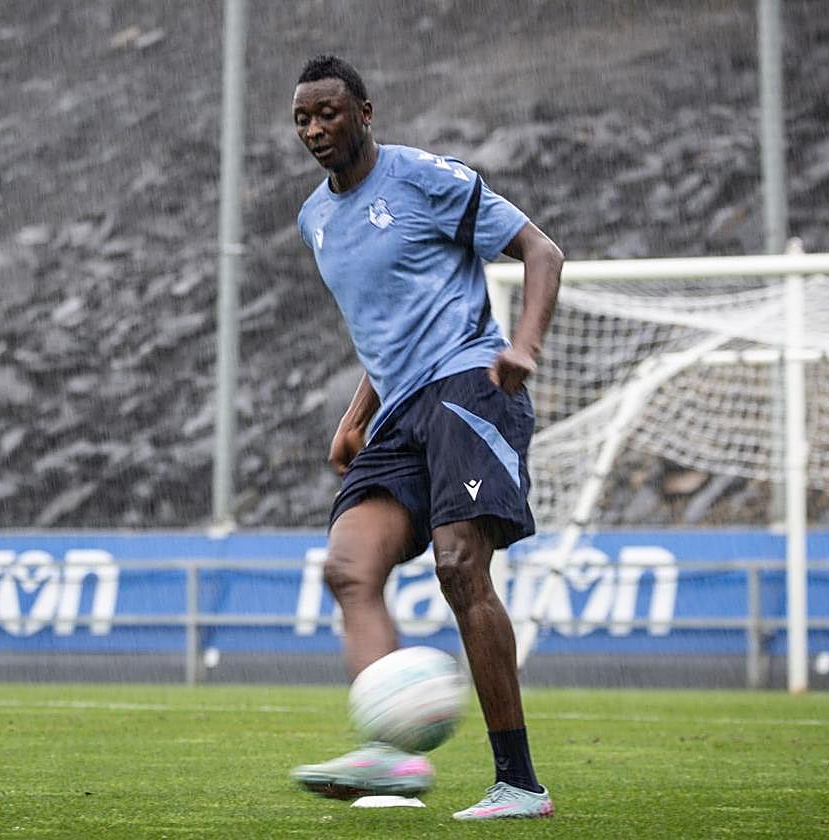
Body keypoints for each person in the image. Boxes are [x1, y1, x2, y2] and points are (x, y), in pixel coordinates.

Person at [288, 54, 563, 822]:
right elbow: (390, 325)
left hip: (471, 386)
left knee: (458, 565)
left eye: (329, 113)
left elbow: (543, 252)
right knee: (348, 569)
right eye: (303, 118)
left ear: (365, 114)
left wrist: (526, 348)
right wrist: (356, 411)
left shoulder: (423, 179)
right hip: (400, 409)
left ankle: (519, 784)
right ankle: (389, 755)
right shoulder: (314, 218)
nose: (315, 129)